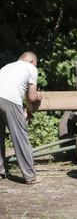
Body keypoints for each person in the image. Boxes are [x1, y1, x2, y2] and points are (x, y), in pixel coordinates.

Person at [0, 51, 42, 183]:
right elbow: (32, 96)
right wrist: (38, 96)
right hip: (10, 100)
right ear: (32, 62)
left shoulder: (7, 66)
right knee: (20, 137)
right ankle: (30, 176)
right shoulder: (31, 68)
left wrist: (27, 107)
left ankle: (0, 171)